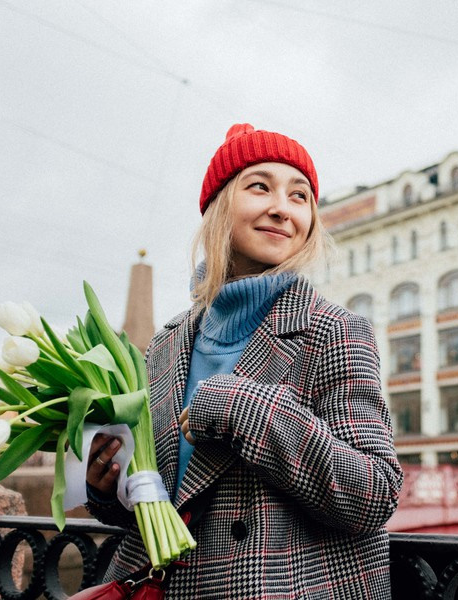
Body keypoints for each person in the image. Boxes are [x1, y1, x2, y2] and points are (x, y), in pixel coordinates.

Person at [85, 123, 403, 599]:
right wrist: (107, 487)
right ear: (219, 207)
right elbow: (163, 499)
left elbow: (375, 494)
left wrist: (243, 407)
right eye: (259, 187)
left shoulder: (334, 330)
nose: (282, 208)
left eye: (299, 196)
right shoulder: (167, 343)